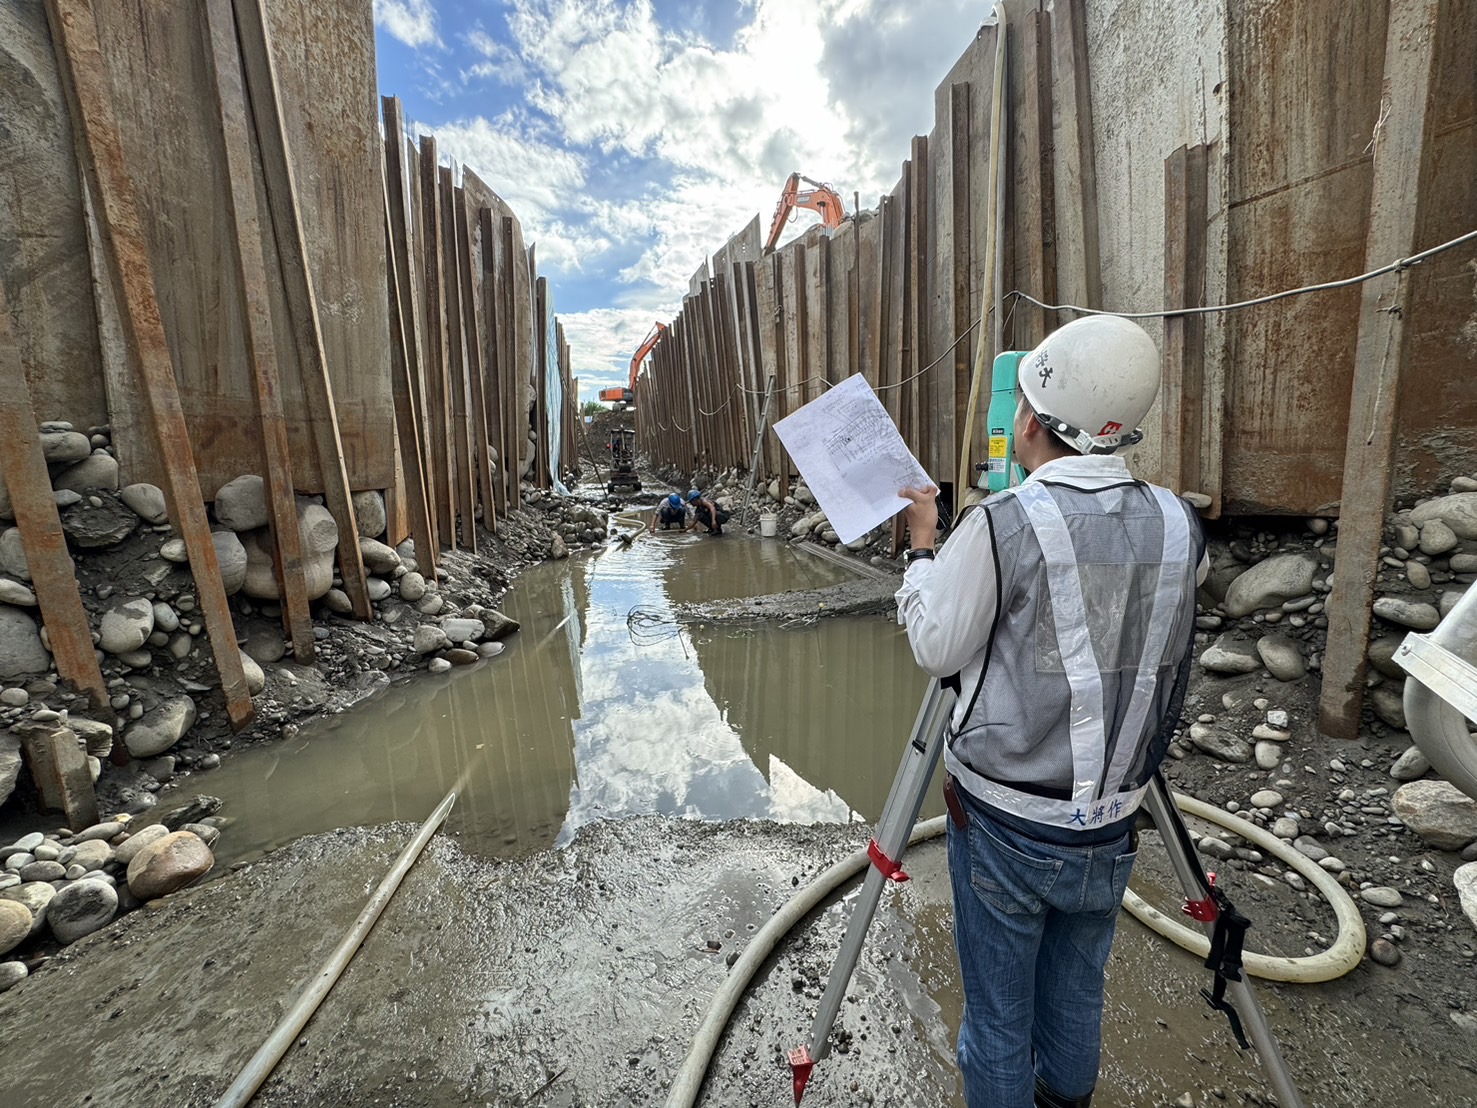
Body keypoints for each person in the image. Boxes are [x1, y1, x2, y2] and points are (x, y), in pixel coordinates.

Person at [895, 315, 1208, 1108]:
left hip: (1004, 819)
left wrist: (923, 547)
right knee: (1075, 994)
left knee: (999, 1021)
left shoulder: (1002, 523)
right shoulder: (1179, 523)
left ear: (1025, 420)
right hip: (1111, 816)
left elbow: (938, 645)